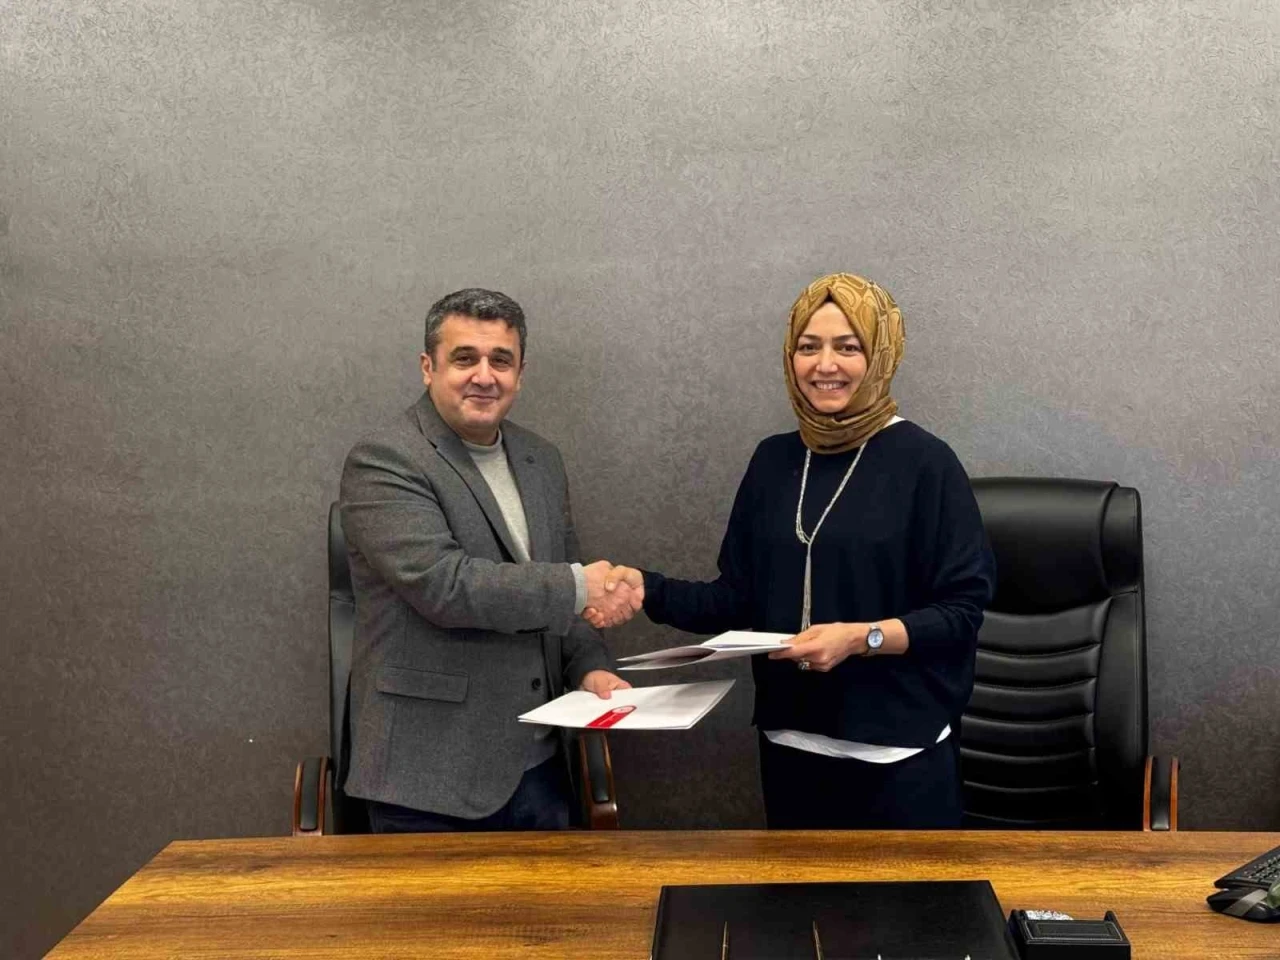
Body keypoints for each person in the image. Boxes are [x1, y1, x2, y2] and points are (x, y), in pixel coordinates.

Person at [593, 273, 995, 829]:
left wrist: (861, 638)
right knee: (796, 890)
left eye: (847, 347)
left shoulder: (928, 463)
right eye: (809, 347)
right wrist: (648, 589)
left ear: (880, 355)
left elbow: (961, 613)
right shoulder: (773, 461)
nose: (824, 365)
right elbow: (737, 601)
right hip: (790, 749)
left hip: (898, 758)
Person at [339, 288, 639, 833]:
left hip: (540, 766)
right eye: (464, 358)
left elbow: (564, 580)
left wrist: (589, 666)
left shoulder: (541, 459)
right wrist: (580, 587)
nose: (484, 376)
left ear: (520, 374)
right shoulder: (384, 459)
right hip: (428, 780)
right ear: (428, 367)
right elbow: (445, 585)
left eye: (501, 360)